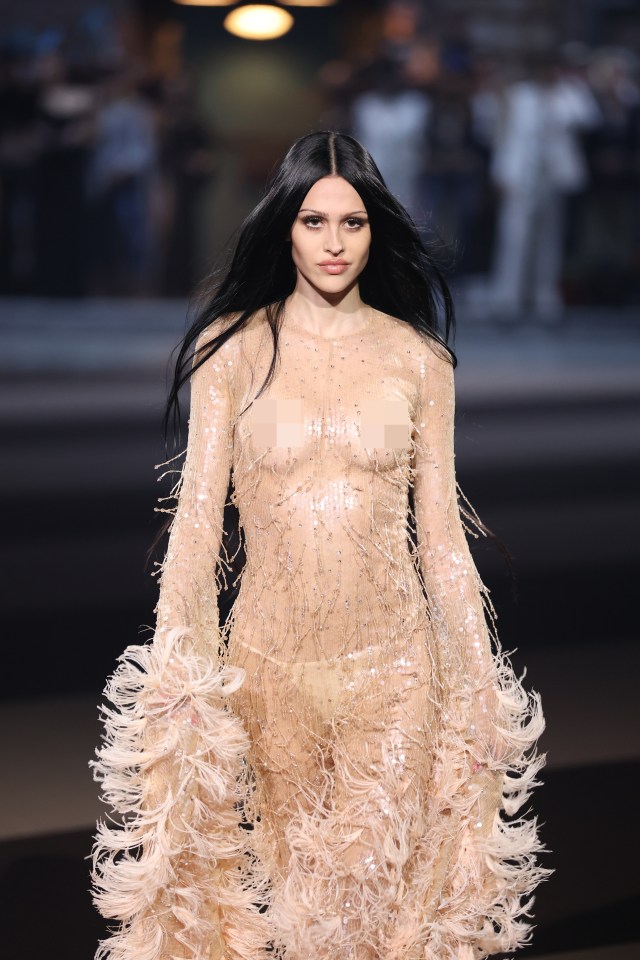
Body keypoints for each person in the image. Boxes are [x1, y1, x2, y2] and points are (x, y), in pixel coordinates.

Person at [91, 131, 550, 960]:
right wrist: (175, 670)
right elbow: (197, 520)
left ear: (376, 231)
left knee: (375, 901)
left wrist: (478, 689)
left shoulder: (419, 360)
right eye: (313, 222)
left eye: (353, 223)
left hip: (397, 665)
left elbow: (440, 534)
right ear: (285, 228)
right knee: (299, 906)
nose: (334, 244)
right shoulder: (229, 351)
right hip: (269, 669)